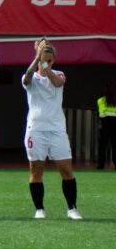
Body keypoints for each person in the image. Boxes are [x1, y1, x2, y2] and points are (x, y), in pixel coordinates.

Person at [22, 40, 82, 219]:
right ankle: (39, 209)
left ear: (54, 60)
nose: (46, 63)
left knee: (66, 169)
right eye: (43, 59)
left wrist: (45, 67)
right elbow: (26, 79)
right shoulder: (31, 76)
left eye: (49, 60)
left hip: (57, 129)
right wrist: (37, 60)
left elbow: (57, 83)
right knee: (36, 170)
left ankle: (72, 208)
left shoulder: (59, 74)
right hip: (35, 129)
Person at [98, 82, 116, 169]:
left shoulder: (100, 100)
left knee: (102, 146)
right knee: (115, 145)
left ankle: (101, 165)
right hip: (115, 124)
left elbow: (101, 114)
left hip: (105, 124)